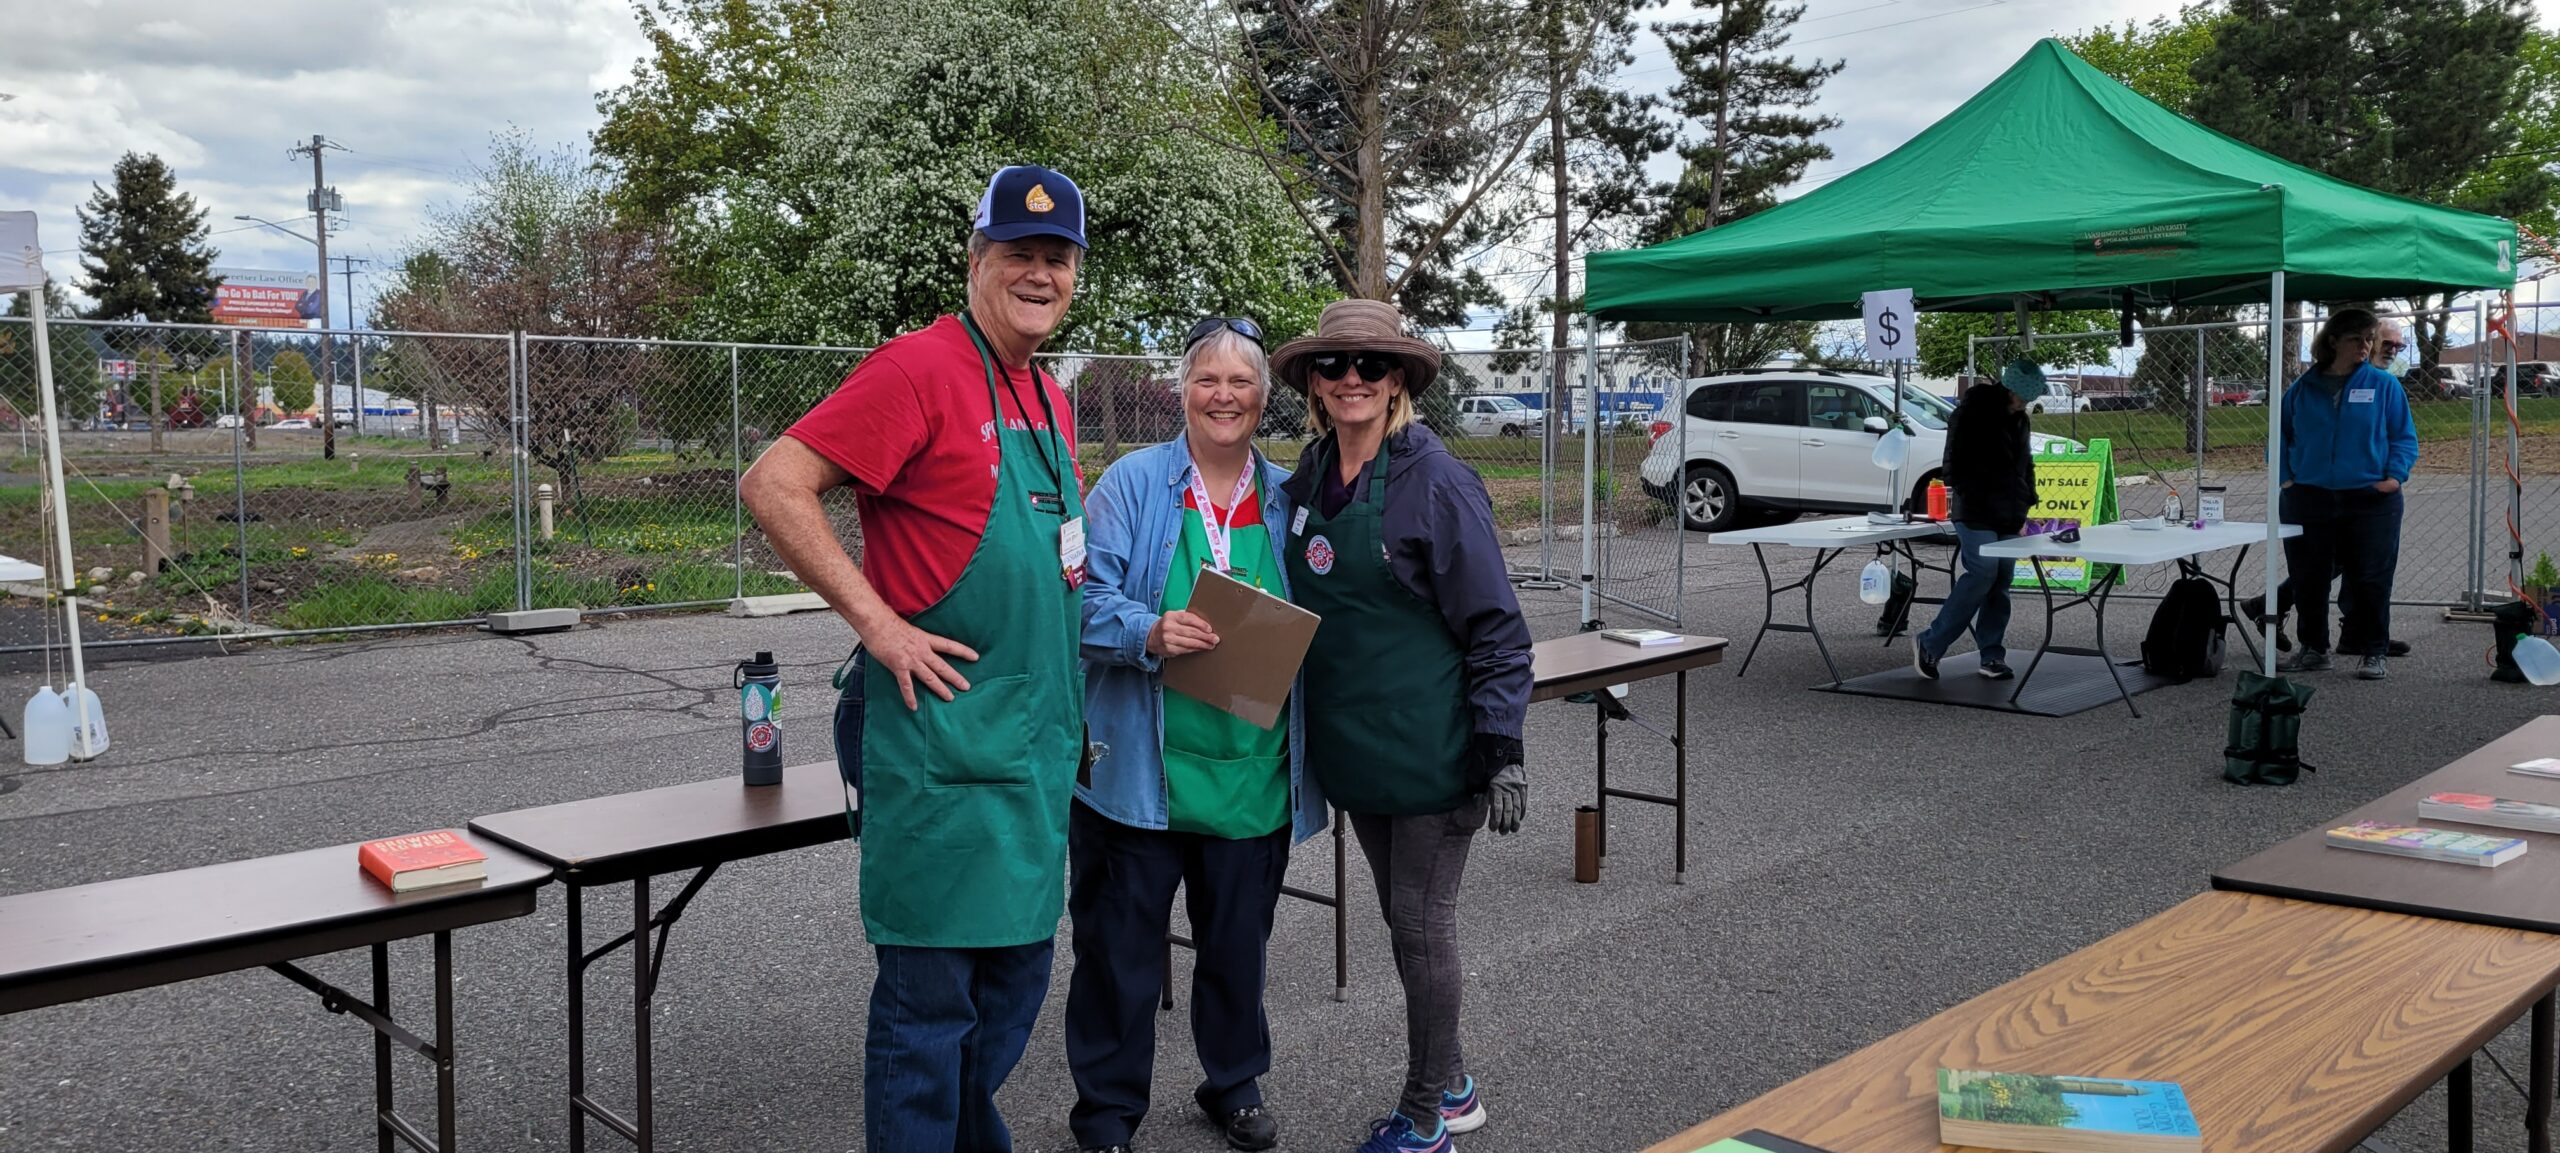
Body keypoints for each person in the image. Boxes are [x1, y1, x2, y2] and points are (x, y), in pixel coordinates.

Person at [738, 164, 1088, 1152]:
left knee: (1014, 987)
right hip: (940, 739)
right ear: (975, 260)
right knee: (931, 1009)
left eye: (1055, 257)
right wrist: (876, 621)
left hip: (1025, 745)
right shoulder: (920, 368)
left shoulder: (1044, 397)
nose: (1037, 272)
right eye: (1016, 254)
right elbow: (774, 484)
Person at [1269, 299, 1532, 1153]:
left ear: (1399, 384)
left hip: (1433, 751)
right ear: (1312, 381)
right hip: (1359, 753)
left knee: (1421, 925)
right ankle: (1452, 1081)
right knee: (1404, 920)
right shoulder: (1307, 477)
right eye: (1334, 364)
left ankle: (1425, 1118)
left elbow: (1496, 627)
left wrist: (1502, 749)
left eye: (1371, 366)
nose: (1351, 379)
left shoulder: (1437, 482)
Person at [1066, 316, 1328, 1153]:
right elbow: (1074, 602)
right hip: (1138, 775)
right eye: (1207, 379)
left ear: (1263, 398)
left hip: (1253, 773)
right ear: (1182, 390)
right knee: (1118, 955)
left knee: (1236, 948)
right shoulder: (1131, 486)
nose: (1224, 395)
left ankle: (1234, 1081)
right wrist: (1147, 632)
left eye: (1241, 381)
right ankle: (1107, 1112)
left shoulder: (1290, 498)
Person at [2259, 320, 2415, 660]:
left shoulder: (2384, 385)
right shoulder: (2303, 388)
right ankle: (2313, 649)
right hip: (2308, 496)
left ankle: (2373, 650)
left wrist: (2394, 477)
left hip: (2371, 498)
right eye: (2355, 338)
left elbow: (2404, 437)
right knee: (2309, 576)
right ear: (2332, 341)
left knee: (2371, 577)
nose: (2365, 345)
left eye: (2369, 339)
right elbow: (2279, 435)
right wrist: (2286, 478)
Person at [1914, 359, 2046, 681]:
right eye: (2024, 398)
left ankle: (1991, 655)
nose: (2026, 404)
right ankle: (1931, 642)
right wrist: (1975, 494)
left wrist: (2026, 500)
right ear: (2012, 390)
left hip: (2009, 511)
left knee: (2001, 580)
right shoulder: (1972, 414)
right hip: (1975, 510)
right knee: (1982, 572)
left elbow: (2024, 464)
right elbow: (1954, 464)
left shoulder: (2020, 420)